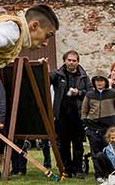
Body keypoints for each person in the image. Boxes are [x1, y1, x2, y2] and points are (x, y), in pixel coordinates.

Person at [50, 50, 91, 179]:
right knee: (63, 144)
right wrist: (43, 66)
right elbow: (46, 79)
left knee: (78, 144)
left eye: (74, 60)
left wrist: (78, 92)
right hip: (62, 115)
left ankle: (78, 169)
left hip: (78, 115)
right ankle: (67, 169)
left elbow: (89, 93)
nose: (72, 63)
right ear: (64, 61)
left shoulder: (84, 77)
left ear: (78, 62)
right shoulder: (58, 75)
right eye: (69, 60)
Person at [82, 75, 115, 183]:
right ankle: (98, 174)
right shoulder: (89, 94)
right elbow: (84, 111)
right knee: (95, 153)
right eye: (97, 81)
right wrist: (86, 126)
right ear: (94, 82)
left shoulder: (113, 93)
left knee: (109, 152)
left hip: (109, 129)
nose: (99, 83)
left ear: (105, 82)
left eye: (101, 80)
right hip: (93, 128)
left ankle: (109, 173)